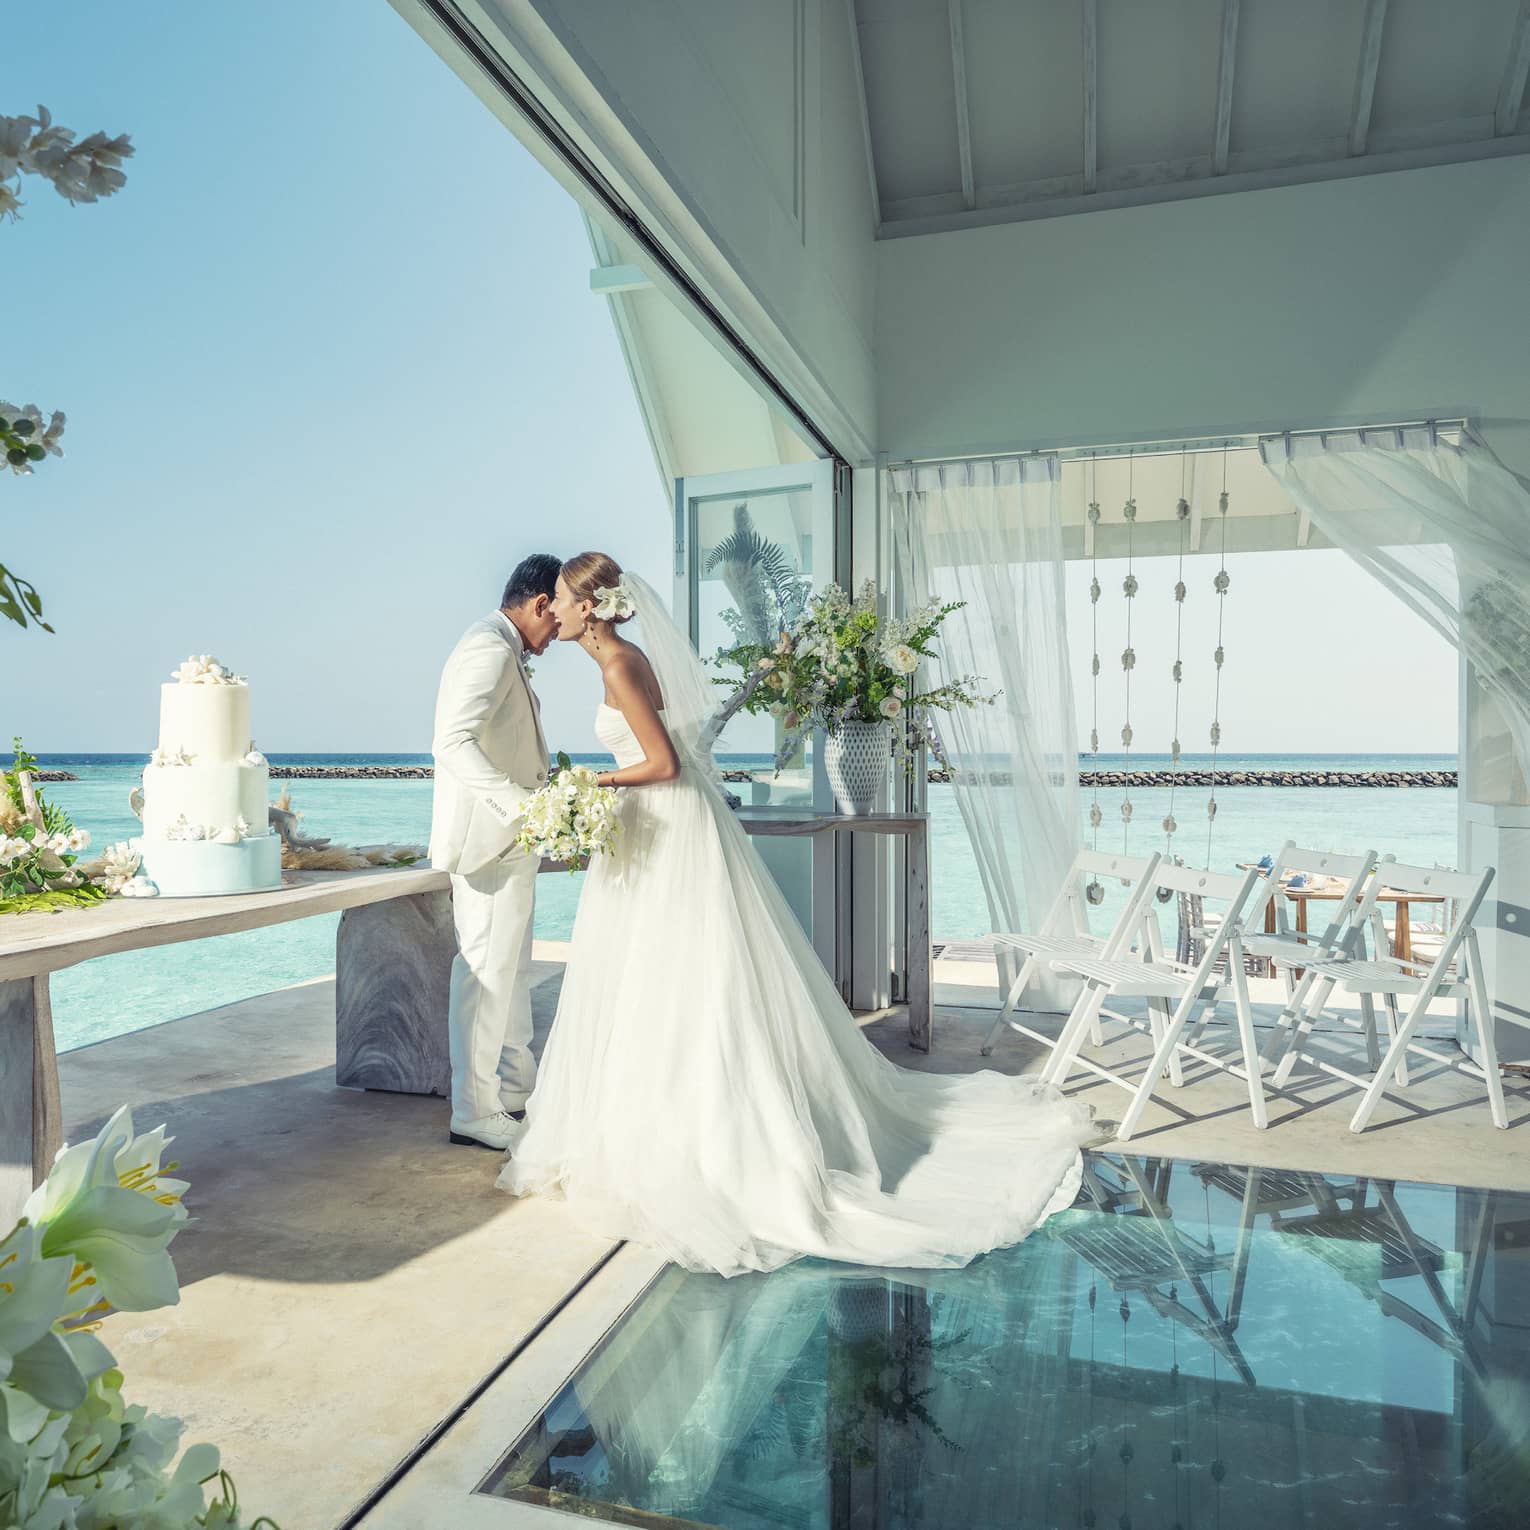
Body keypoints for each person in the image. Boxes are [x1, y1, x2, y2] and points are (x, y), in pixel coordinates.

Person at [495, 551, 1094, 1276]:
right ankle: (657, 1127)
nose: (550, 609)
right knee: (658, 986)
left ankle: (709, 1146)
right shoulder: (619, 660)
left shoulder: (620, 664)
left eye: (559, 598)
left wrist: (589, 778)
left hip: (666, 828)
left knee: (685, 984)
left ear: (589, 607)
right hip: (657, 834)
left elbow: (664, 765)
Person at [430, 553, 560, 1151]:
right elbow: (452, 742)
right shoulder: (487, 648)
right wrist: (521, 807)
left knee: (511, 974)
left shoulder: (505, 648)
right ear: (537, 604)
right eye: (556, 618)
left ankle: (511, 1092)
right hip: (489, 844)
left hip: (513, 844)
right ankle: (473, 1109)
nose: (559, 630)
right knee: (483, 976)